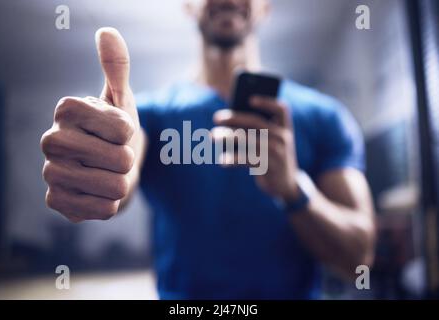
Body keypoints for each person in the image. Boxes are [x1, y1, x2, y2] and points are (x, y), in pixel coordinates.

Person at [40, 0, 376, 299]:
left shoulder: (325, 117)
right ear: (189, 6)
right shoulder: (151, 114)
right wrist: (101, 164)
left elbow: (359, 256)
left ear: (266, 7)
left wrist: (293, 189)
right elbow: (125, 168)